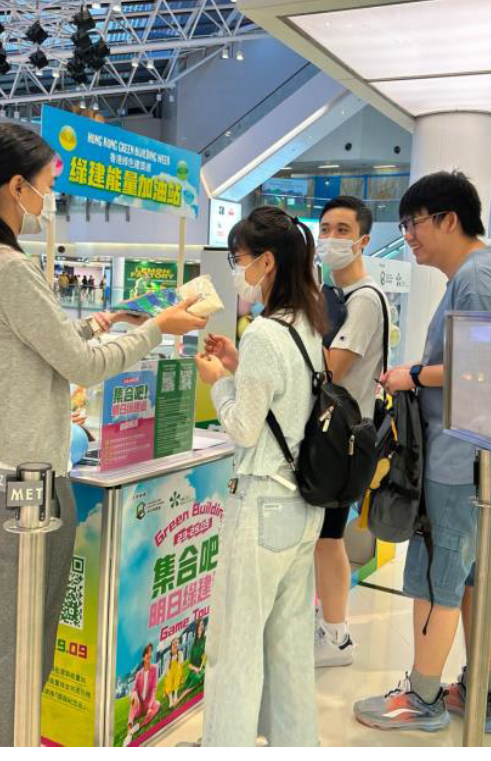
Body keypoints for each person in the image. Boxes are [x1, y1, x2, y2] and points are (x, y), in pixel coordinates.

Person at [0, 122, 209, 747]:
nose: (50, 197)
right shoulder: (7, 267)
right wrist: (156, 329)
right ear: (17, 187)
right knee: (17, 648)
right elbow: (82, 368)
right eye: (46, 183)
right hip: (22, 489)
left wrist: (101, 323)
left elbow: (26, 348)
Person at [356, 171, 491, 735]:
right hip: (472, 455)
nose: (408, 236)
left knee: (438, 576)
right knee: (471, 575)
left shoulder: (477, 278)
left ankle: (422, 698)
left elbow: (489, 368)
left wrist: (415, 374)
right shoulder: (476, 275)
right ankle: (475, 692)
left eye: (413, 223)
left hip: (461, 458)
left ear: (448, 220)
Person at [197, 206, 333, 747]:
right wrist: (236, 366)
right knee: (289, 643)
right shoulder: (307, 326)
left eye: (240, 259)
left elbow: (244, 428)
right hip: (302, 504)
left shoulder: (263, 333)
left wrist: (216, 381)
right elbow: (285, 399)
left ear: (267, 262)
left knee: (234, 645)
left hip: (262, 506)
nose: (237, 270)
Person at [310, 195, 391, 669]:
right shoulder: (334, 295)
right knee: (323, 537)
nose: (331, 239)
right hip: (329, 434)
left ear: (363, 241)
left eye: (343, 231)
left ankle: (336, 636)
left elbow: (332, 369)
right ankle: (327, 626)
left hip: (341, 440)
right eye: (325, 229)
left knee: (328, 537)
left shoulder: (363, 300)